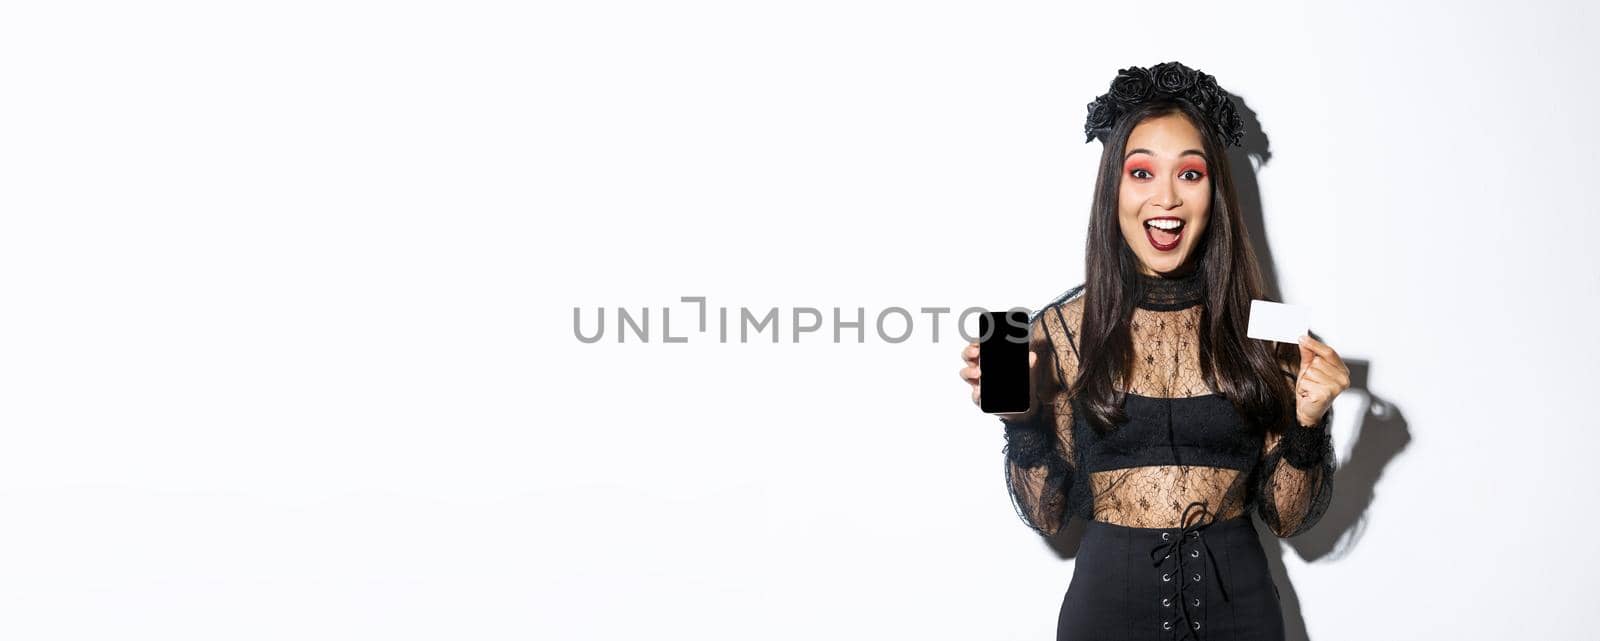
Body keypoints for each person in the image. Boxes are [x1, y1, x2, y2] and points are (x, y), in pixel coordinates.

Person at [958, 61, 1351, 641]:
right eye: (1141, 172)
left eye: (1189, 175)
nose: (1165, 197)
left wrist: (1310, 423)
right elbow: (1047, 516)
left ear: (1215, 192)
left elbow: (1290, 519)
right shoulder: (1057, 331)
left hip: (1242, 617)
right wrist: (1023, 420)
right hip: (1105, 617)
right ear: (1112, 188)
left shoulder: (1272, 329)